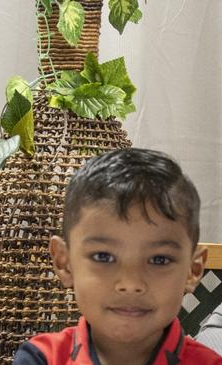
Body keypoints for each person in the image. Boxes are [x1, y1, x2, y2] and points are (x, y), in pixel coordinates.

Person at [13, 148, 222, 364]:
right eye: (103, 257)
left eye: (159, 259)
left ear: (193, 270)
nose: (130, 283)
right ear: (64, 263)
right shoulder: (40, 358)